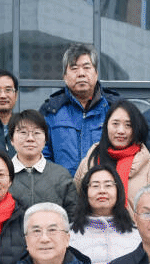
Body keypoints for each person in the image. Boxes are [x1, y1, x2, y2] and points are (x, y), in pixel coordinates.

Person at [41, 43, 121, 174]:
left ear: (96, 73)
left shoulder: (115, 108)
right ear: (64, 76)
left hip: (104, 184)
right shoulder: (51, 111)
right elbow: (42, 156)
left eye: (86, 67)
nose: (81, 74)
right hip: (63, 185)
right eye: (74, 68)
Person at [73, 100, 150, 209]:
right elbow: (76, 203)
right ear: (106, 126)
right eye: (115, 124)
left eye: (128, 125)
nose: (121, 131)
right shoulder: (89, 162)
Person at [69, 165, 142, 264]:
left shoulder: (138, 234)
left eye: (108, 185)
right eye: (95, 186)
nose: (102, 191)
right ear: (85, 192)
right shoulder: (69, 235)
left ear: (118, 191)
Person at [6, 110, 78, 220]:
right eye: (23, 133)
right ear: (11, 139)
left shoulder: (61, 175)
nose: (30, 139)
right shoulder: (2, 174)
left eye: (37, 133)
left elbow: (73, 217)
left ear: (45, 140)